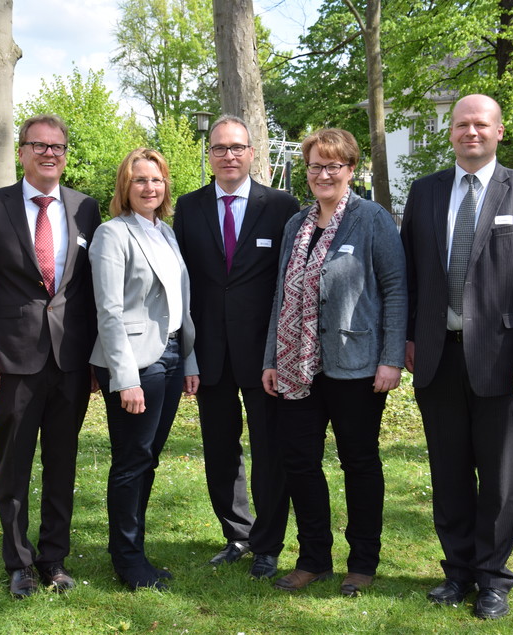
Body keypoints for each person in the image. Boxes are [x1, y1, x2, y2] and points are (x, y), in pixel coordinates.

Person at [400, 94, 513, 619]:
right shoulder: (424, 193)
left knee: (496, 476)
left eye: (481, 124)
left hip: (503, 358)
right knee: (447, 472)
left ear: (498, 131)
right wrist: (406, 337)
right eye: (462, 124)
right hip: (436, 357)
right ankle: (457, 571)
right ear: (451, 132)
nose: (471, 132)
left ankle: (493, 580)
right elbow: (409, 274)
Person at [261, 128, 407, 596]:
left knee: (359, 462)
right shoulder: (296, 226)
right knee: (299, 461)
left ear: (350, 170)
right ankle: (314, 558)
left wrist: (390, 359)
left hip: (357, 364)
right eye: (315, 166)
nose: (323, 174)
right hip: (297, 365)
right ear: (306, 172)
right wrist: (271, 358)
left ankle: (362, 562)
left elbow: (396, 291)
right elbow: (282, 294)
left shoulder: (372, 219)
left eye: (333, 166)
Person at [0, 114, 101, 598]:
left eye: (57, 147)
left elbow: (89, 292)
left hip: (71, 363)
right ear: (21, 152)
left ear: (65, 154)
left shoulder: (86, 209)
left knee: (62, 462)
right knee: (15, 464)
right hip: (13, 362)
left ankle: (53, 559)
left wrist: (97, 362)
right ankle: (18, 562)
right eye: (38, 145)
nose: (49, 154)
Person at [173, 115, 299, 579]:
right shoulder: (189, 207)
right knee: (220, 447)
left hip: (265, 355)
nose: (229, 155)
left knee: (270, 448)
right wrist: (186, 352)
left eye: (237, 147)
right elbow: (182, 285)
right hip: (208, 354)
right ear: (209, 155)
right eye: (219, 148)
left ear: (251, 153)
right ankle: (237, 534)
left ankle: (268, 543)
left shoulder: (282, 205)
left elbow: (293, 280)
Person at [89, 148, 200, 591]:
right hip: (137, 363)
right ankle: (127, 559)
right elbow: (109, 312)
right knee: (132, 460)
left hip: (172, 357)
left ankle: (136, 549)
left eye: (156, 180)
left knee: (148, 458)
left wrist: (188, 359)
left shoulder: (166, 233)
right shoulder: (111, 235)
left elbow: (179, 305)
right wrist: (126, 377)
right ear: (125, 187)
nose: (149, 187)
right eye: (140, 180)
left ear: (165, 186)